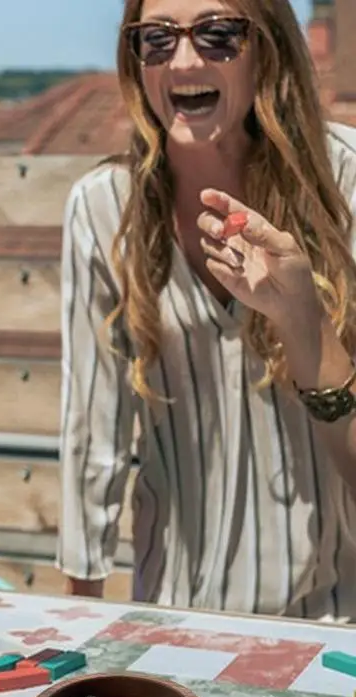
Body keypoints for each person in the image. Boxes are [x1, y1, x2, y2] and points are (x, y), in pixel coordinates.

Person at [59, 0, 356, 620]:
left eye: (219, 34)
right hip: (175, 619)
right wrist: (78, 626)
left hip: (335, 619)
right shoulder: (103, 207)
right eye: (157, 40)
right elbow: (95, 431)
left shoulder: (347, 182)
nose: (186, 59)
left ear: (267, 50)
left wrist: (304, 319)